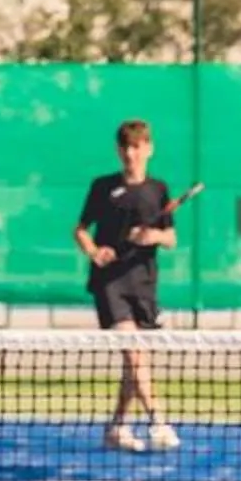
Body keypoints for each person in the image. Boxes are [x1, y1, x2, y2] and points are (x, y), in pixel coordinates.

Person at [74, 118, 182, 453]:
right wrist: (94, 251)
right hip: (110, 283)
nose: (130, 153)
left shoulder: (158, 189)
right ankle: (158, 421)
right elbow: (80, 229)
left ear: (148, 149)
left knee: (133, 363)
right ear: (119, 151)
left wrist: (152, 235)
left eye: (137, 147)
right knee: (135, 354)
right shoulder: (103, 187)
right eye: (125, 147)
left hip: (144, 284)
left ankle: (116, 427)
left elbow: (171, 238)